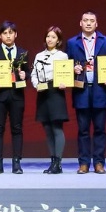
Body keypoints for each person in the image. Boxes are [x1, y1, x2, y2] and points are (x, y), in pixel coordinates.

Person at [66, 11, 106, 173]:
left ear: (96, 24)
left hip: (100, 90)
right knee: (83, 130)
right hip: (81, 90)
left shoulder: (105, 41)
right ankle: (84, 163)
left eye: (91, 21)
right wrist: (73, 69)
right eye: (85, 20)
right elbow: (66, 66)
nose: (88, 23)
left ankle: (99, 163)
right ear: (80, 23)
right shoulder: (72, 42)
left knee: (100, 129)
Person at [0, 21, 28, 174]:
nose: (8, 36)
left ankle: (17, 163)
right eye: (5, 33)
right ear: (0, 36)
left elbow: (28, 73)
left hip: (17, 95)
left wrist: (25, 75)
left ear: (16, 34)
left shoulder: (23, 53)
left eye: (11, 33)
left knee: (17, 129)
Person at [31, 26, 69, 174]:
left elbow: (66, 74)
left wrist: (64, 83)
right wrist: (36, 85)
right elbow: (33, 73)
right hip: (42, 92)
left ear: (58, 40)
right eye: (48, 36)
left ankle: (58, 163)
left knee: (56, 128)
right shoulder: (39, 55)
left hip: (56, 92)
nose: (50, 39)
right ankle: (52, 161)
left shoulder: (62, 56)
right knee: (47, 129)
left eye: (53, 37)